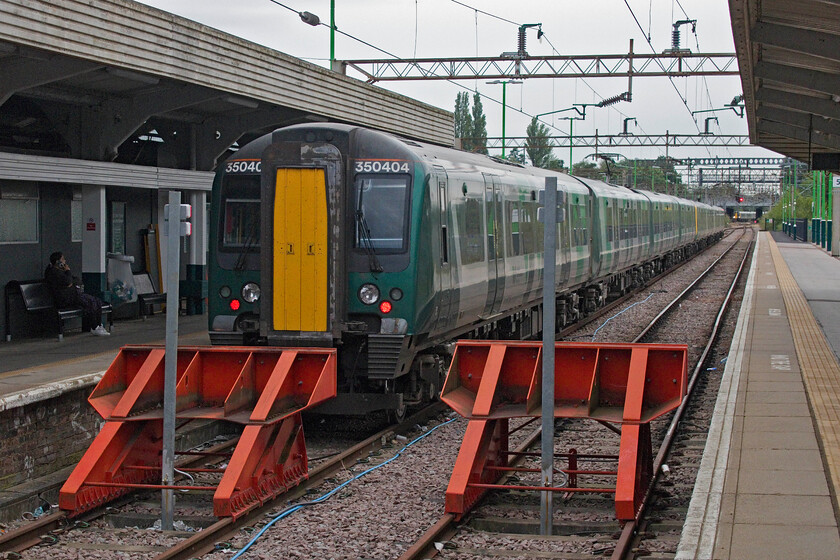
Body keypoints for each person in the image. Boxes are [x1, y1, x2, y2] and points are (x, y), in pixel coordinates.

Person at [44, 251, 110, 336]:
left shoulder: (60, 271)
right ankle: (94, 327)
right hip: (66, 299)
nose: (65, 261)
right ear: (58, 262)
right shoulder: (53, 272)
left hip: (73, 295)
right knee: (90, 302)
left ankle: (99, 325)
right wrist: (68, 271)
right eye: (63, 259)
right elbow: (68, 282)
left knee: (96, 300)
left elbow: (75, 280)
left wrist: (70, 281)